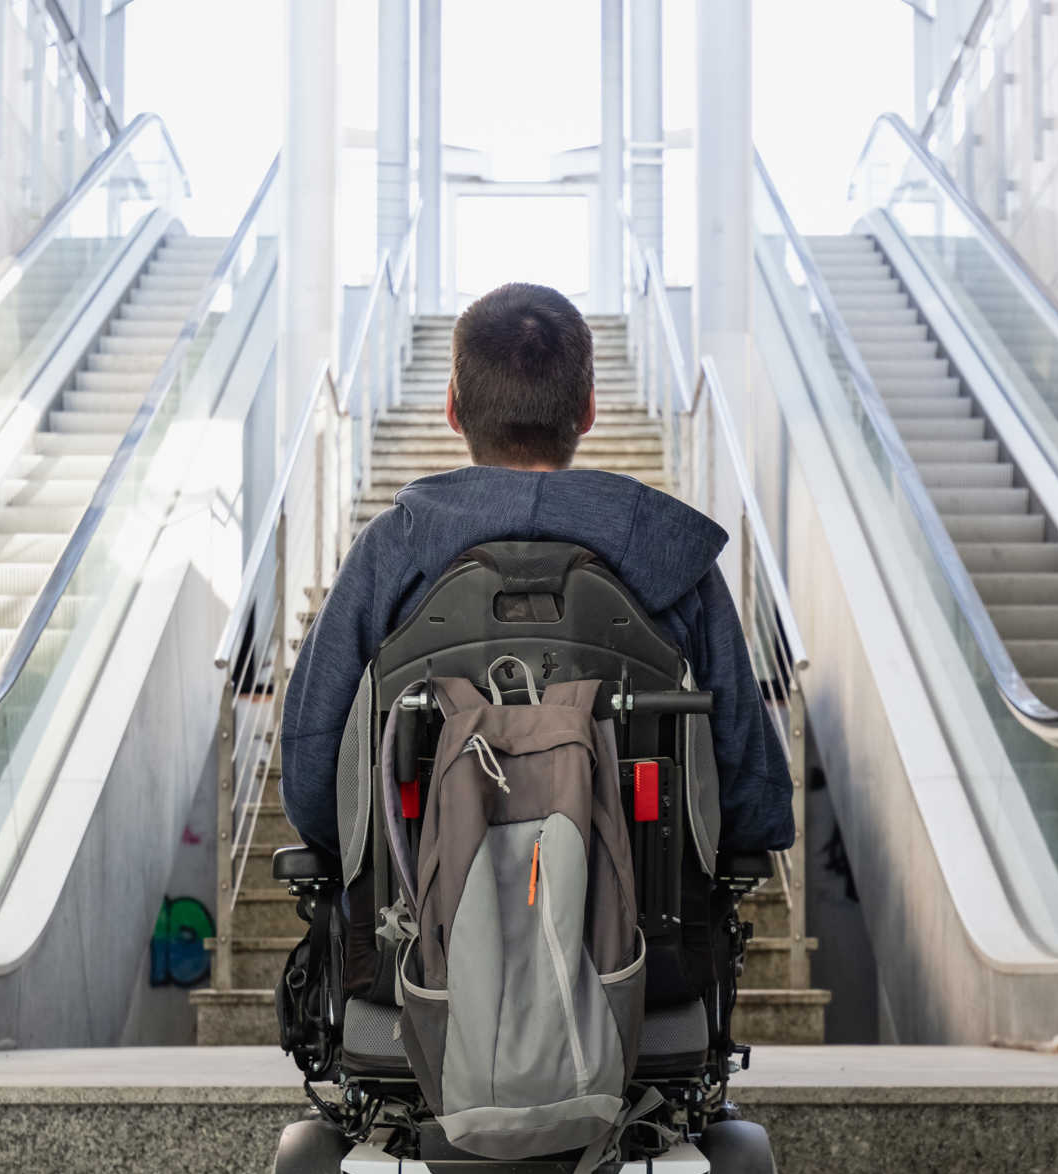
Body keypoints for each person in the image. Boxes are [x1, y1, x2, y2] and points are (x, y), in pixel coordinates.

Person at [277, 280, 796, 865]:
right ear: (589, 409)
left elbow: (314, 781)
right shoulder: (671, 555)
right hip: (648, 934)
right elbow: (752, 793)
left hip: (420, 935)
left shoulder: (390, 552)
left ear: (452, 408)